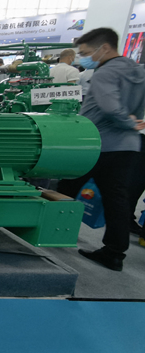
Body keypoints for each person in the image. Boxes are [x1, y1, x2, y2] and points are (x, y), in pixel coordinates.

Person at [57, 28, 145, 271]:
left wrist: (127, 121)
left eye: (86, 53)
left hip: (94, 142)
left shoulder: (105, 72)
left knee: (65, 187)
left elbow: (109, 107)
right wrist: (132, 123)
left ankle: (52, 233)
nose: (84, 58)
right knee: (117, 199)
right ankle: (115, 253)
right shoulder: (138, 71)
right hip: (128, 145)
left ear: (104, 48)